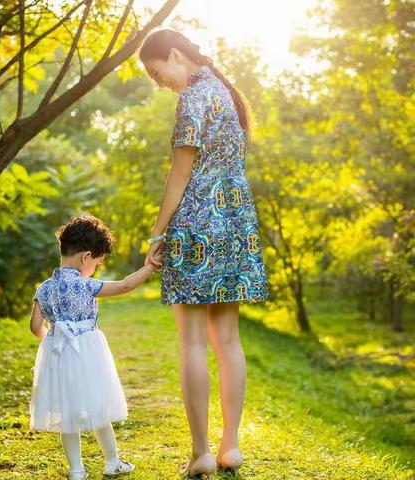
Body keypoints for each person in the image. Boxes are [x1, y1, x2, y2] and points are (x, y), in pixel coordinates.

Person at [139, 29, 269, 477]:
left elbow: (180, 174)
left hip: (197, 225)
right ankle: (229, 446)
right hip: (233, 222)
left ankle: (201, 455)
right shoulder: (227, 94)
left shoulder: (193, 99)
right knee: (228, 339)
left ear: (175, 55)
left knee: (193, 340)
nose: (164, 84)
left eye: (160, 74)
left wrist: (157, 235)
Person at [29, 215, 160, 480]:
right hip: (88, 354)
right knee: (98, 405)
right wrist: (150, 267)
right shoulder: (85, 285)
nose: (96, 269)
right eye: (97, 264)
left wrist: (53, 344)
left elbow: (34, 326)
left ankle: (76, 470)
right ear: (86, 257)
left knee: (67, 414)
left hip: (59, 355)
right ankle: (112, 462)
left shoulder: (44, 289)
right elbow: (125, 285)